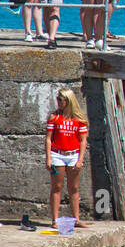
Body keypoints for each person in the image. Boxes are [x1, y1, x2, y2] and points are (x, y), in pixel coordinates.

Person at [45, 89, 89, 228]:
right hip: (57, 155)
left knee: (74, 187)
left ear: (68, 101)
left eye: (61, 99)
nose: (58, 102)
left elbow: (83, 141)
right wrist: (48, 158)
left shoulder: (78, 119)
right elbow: (48, 139)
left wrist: (80, 159)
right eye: (57, 99)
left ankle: (76, 218)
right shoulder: (54, 117)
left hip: (73, 155)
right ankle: (55, 220)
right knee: (57, 186)